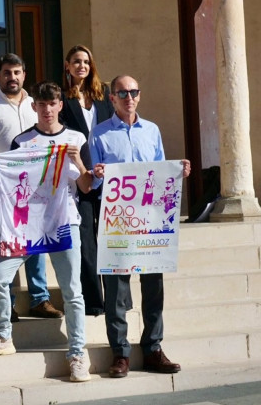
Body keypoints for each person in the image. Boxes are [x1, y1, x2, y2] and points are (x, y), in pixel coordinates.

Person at [0, 81, 93, 383]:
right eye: (42, 104)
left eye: (52, 103)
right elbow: (9, 182)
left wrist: (77, 159)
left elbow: (86, 186)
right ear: (34, 107)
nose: (47, 109)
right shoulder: (22, 141)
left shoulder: (76, 137)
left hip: (64, 222)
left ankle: (77, 353)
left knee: (72, 292)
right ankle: (3, 335)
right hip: (25, 226)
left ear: (60, 106)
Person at [89, 75, 190, 378]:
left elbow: (159, 173)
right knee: (117, 291)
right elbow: (94, 182)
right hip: (117, 222)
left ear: (139, 96)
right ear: (112, 98)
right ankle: (120, 354)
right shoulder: (99, 135)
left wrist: (178, 172)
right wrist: (97, 174)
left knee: (153, 288)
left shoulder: (152, 131)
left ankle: (153, 349)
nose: (129, 97)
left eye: (133, 92)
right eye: (122, 92)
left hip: (149, 222)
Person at [0, 53, 63, 321]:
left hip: (36, 187)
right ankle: (6, 303)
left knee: (35, 240)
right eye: (7, 73)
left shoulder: (36, 105)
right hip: (2, 187)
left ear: (24, 75)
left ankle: (39, 299)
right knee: (4, 241)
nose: (12, 77)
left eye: (17, 72)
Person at [59, 44, 114, 316]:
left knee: (110, 238)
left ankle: (117, 299)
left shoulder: (103, 97)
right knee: (87, 242)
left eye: (86, 62)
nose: (82, 66)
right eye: (77, 61)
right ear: (67, 66)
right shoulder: (62, 99)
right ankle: (94, 301)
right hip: (78, 177)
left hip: (106, 176)